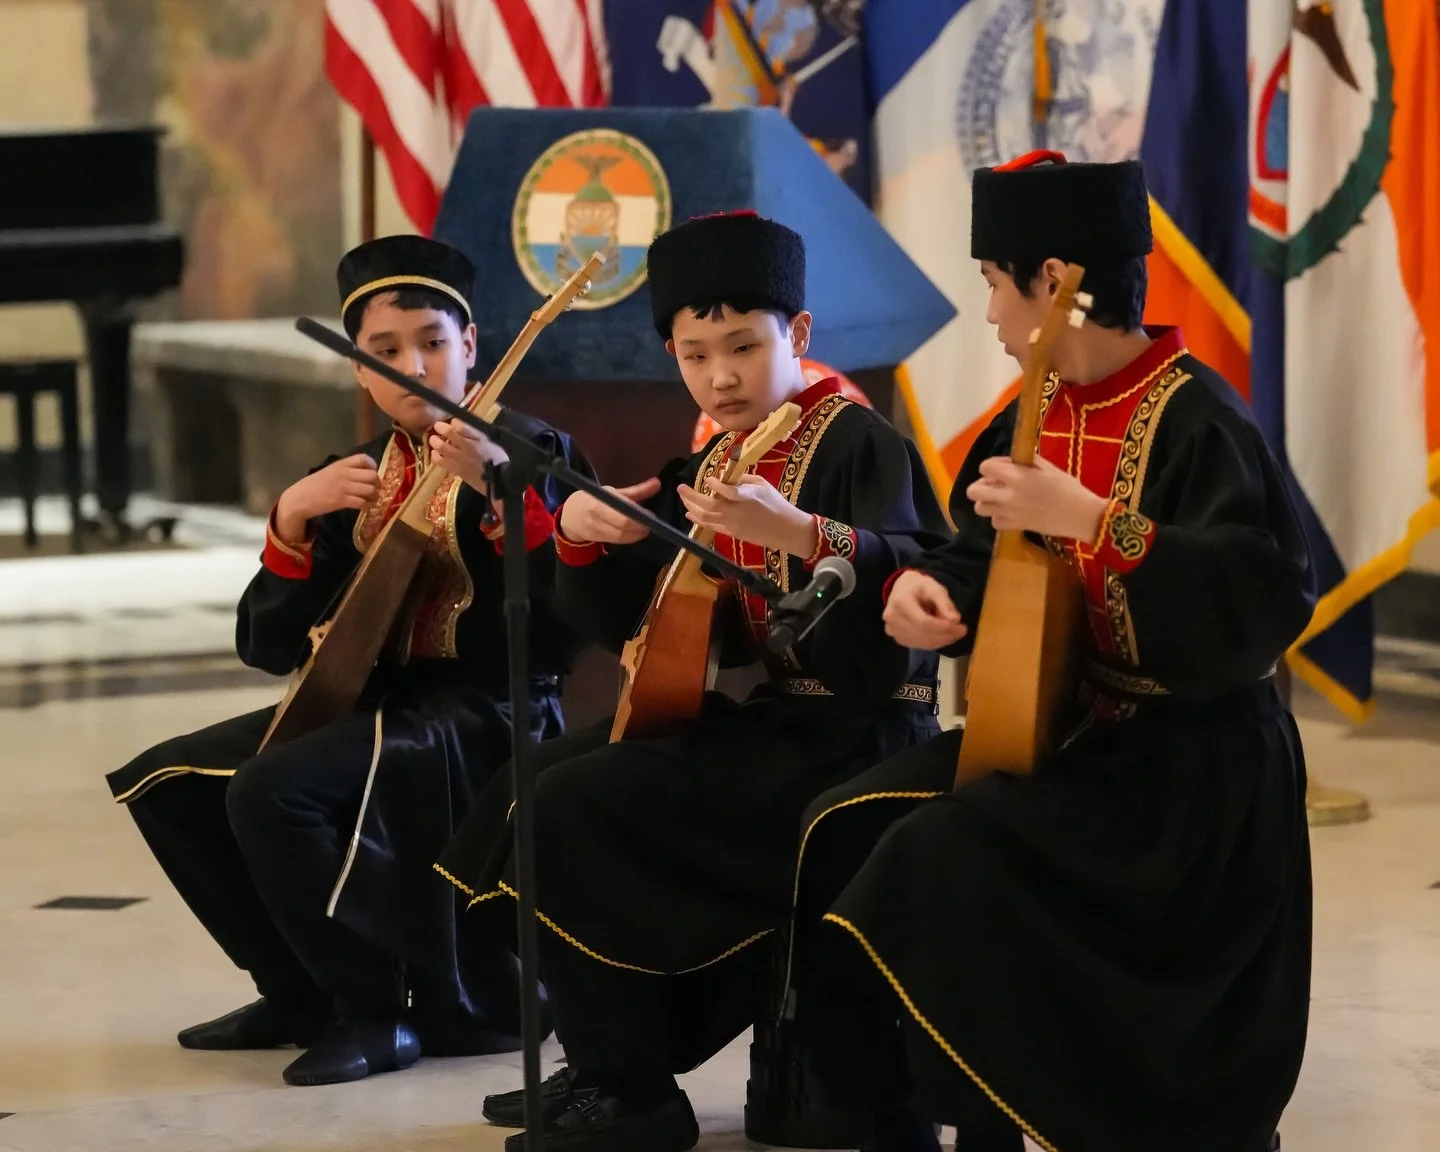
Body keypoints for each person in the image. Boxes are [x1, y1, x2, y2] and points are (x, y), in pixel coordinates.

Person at [789, 153, 1315, 1152]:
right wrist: (927, 592)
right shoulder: (1032, 414)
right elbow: (973, 555)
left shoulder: (1202, 418)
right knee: (844, 823)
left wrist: (1100, 521)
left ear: (1058, 280)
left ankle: (1010, 1110)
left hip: (1188, 775)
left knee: (943, 858)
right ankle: (883, 1110)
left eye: (995, 279)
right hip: (1068, 734)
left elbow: (1262, 594)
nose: (989, 311)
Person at [434, 210, 951, 1152]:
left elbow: (924, 574)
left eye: (744, 348)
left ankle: (635, 1092)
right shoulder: (716, 452)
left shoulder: (859, 444)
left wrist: (800, 534)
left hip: (850, 738)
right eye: (695, 353)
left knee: (575, 809)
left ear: (796, 335)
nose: (721, 376)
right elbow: (636, 614)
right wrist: (587, 544)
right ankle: (604, 1058)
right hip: (760, 731)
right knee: (520, 785)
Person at [106, 235, 593, 1087]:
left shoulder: (532, 450)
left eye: (434, 343)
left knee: (272, 790)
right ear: (358, 370)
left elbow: (567, 628)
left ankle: (375, 1012)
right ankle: (295, 990)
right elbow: (267, 649)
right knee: (170, 780)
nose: (414, 366)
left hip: (484, 714)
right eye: (386, 352)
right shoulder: (354, 476)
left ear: (471, 346)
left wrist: (499, 493)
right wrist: (291, 522)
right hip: (379, 707)